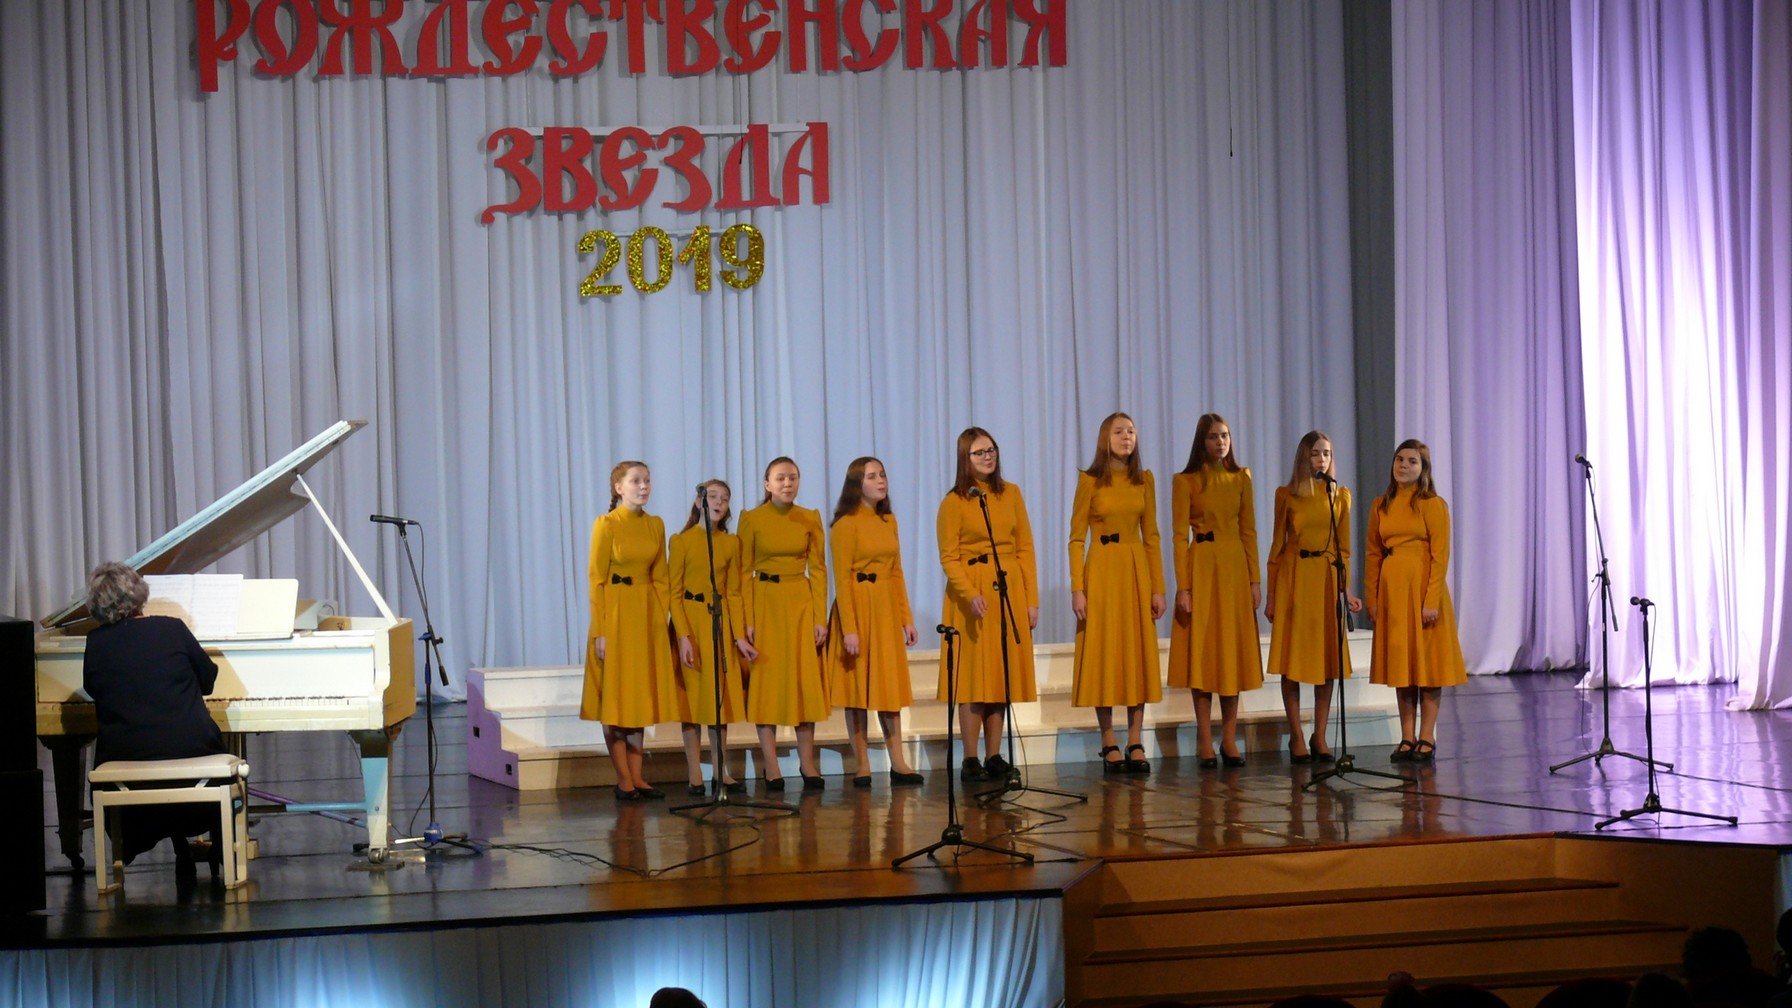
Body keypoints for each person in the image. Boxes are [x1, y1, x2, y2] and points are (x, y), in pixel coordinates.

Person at [79, 561, 228, 872]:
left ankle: (177, 847)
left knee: (152, 743)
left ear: (96, 605)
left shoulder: (96, 642)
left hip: (126, 762)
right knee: (191, 739)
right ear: (139, 594)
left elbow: (94, 689)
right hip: (191, 753)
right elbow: (208, 681)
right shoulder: (172, 628)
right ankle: (221, 845)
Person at [936, 427, 1039, 782]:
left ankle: (994, 754)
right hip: (972, 595)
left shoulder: (1011, 493)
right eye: (979, 452)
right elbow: (949, 557)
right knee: (974, 679)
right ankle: (970, 758)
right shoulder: (953, 502)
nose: (988, 456)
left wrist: (1031, 600)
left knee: (1000, 674)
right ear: (965, 458)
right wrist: (969, 592)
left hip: (1008, 589)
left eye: (991, 450)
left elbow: (1025, 547)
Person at [1068, 412, 1166, 774]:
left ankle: (1135, 738)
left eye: (1131, 431)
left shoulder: (1144, 480)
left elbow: (1151, 536)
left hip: (1135, 569)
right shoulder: (1090, 480)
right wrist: (1077, 587)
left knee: (1136, 652)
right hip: (1102, 570)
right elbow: (1076, 538)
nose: (1127, 437)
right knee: (1104, 651)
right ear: (1104, 438)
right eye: (1119, 431)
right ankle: (1108, 737)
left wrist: (1158, 588)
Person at [1169, 413, 1265, 767]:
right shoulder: (1186, 481)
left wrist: (1254, 581)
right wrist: (1184, 586)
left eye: (1225, 435)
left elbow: (1249, 531)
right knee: (1204, 653)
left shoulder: (1241, 478)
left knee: (1230, 654)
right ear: (1202, 441)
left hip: (1234, 567)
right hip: (1203, 565)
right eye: (1213, 436)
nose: (1221, 441)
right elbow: (1179, 537)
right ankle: (1205, 739)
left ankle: (1229, 738)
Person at [580, 461, 677, 800]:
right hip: (616, 615)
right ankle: (623, 777)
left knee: (639, 697)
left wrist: (660, 618)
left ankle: (638, 776)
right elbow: (596, 579)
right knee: (616, 698)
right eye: (636, 481)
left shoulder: (655, 524)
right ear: (619, 487)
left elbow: (662, 577)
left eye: (647, 480)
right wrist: (601, 631)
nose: (644, 486)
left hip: (645, 616)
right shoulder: (606, 524)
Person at [1364, 439, 1467, 762]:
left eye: (1412, 461)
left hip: (1423, 591)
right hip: (1393, 593)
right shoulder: (1380, 505)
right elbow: (1372, 554)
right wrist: (1372, 598)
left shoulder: (1432, 505)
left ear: (1423, 469)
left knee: (1428, 666)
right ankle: (1407, 736)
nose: (1404, 465)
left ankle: (1427, 735)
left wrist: (1431, 599)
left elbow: (1440, 555)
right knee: (1402, 666)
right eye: (1399, 459)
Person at [1264, 430, 1362, 764]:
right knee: (1291, 664)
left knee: (1328, 663)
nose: (1322, 459)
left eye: (1327, 453)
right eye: (1316, 453)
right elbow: (1277, 547)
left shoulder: (1339, 495)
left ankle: (1319, 734)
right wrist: (1271, 595)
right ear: (1304, 457)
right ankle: (1296, 736)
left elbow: (1343, 549)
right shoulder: (1287, 495)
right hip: (1294, 578)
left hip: (1325, 580)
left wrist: (1345, 589)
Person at [826, 457, 924, 788]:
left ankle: (899, 762)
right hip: (857, 606)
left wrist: (906, 618)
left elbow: (896, 572)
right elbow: (842, 579)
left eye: (882, 474)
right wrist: (849, 629)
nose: (881, 480)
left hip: (884, 609)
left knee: (888, 687)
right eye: (872, 476)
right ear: (857, 483)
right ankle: (862, 764)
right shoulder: (845, 525)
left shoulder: (888, 521)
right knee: (857, 691)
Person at [739, 456, 830, 790]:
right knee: (768, 683)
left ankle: (808, 763)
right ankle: (772, 766)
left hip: (800, 601)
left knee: (803, 682)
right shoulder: (752, 519)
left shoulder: (809, 517)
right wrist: (747, 618)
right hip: (765, 602)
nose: (787, 483)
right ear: (767, 484)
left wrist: (820, 617)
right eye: (780, 478)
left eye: (792, 477)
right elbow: (742, 572)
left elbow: (818, 570)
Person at [667, 480, 757, 796]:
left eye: (725, 498)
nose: (719, 502)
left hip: (718, 623)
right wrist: (683, 636)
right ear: (699, 501)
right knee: (692, 702)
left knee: (718, 702)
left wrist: (739, 636)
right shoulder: (681, 541)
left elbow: (734, 593)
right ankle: (694, 772)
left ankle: (721, 771)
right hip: (691, 623)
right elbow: (674, 593)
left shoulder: (730, 543)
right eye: (713, 497)